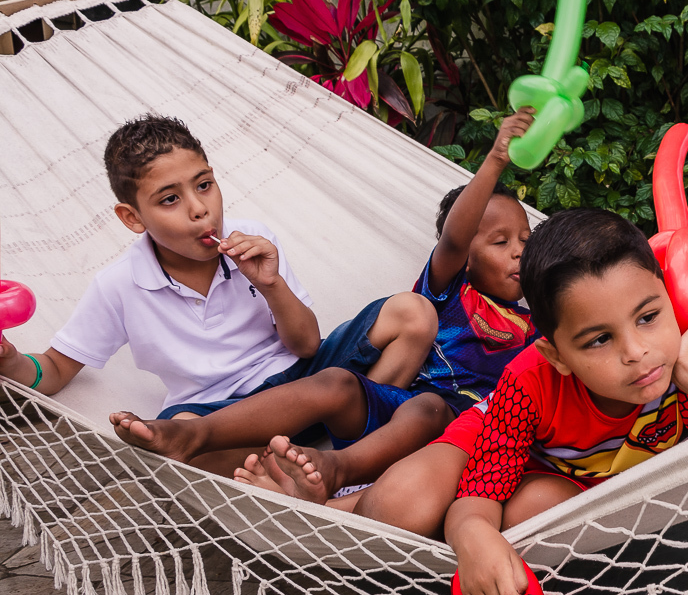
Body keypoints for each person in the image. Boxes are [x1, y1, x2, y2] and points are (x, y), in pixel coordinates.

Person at [109, 109, 539, 488]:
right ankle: (197, 435)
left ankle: (330, 471)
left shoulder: (539, 329)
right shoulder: (452, 290)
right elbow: (455, 239)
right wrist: (495, 160)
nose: (520, 251)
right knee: (338, 382)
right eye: (500, 242)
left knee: (426, 409)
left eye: (526, 238)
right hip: (384, 405)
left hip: (449, 431)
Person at [0, 115, 432, 473]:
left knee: (413, 312)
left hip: (306, 381)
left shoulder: (255, 239)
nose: (199, 209)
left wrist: (271, 284)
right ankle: (298, 460)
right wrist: (10, 360)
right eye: (170, 199)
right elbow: (55, 368)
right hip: (222, 417)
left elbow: (305, 346)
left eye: (204, 184)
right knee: (179, 439)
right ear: (133, 218)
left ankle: (338, 451)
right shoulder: (118, 285)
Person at [427, 208, 688, 595]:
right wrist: (472, 535)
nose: (637, 352)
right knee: (405, 506)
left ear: (672, 301)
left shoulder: (684, 365)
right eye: (600, 339)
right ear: (557, 355)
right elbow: (479, 494)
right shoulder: (529, 384)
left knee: (529, 510)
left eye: (648, 317)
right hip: (502, 440)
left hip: (587, 486)